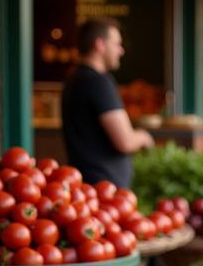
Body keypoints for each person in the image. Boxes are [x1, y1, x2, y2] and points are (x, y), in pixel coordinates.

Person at [61, 17, 153, 186]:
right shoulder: (98, 82)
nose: (121, 51)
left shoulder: (74, 78)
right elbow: (125, 141)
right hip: (106, 190)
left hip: (88, 186)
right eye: (117, 44)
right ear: (100, 45)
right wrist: (144, 137)